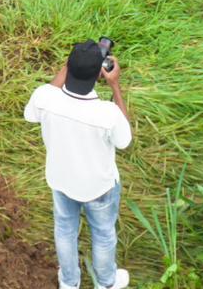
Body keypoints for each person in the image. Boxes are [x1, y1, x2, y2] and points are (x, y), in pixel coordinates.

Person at [25, 40, 132, 289]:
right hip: (99, 187)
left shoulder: (44, 97)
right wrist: (115, 86)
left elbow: (34, 111)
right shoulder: (107, 113)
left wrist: (72, 65)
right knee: (103, 234)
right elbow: (125, 140)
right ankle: (106, 282)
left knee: (64, 230)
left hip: (61, 180)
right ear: (99, 74)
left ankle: (69, 283)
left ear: (67, 68)